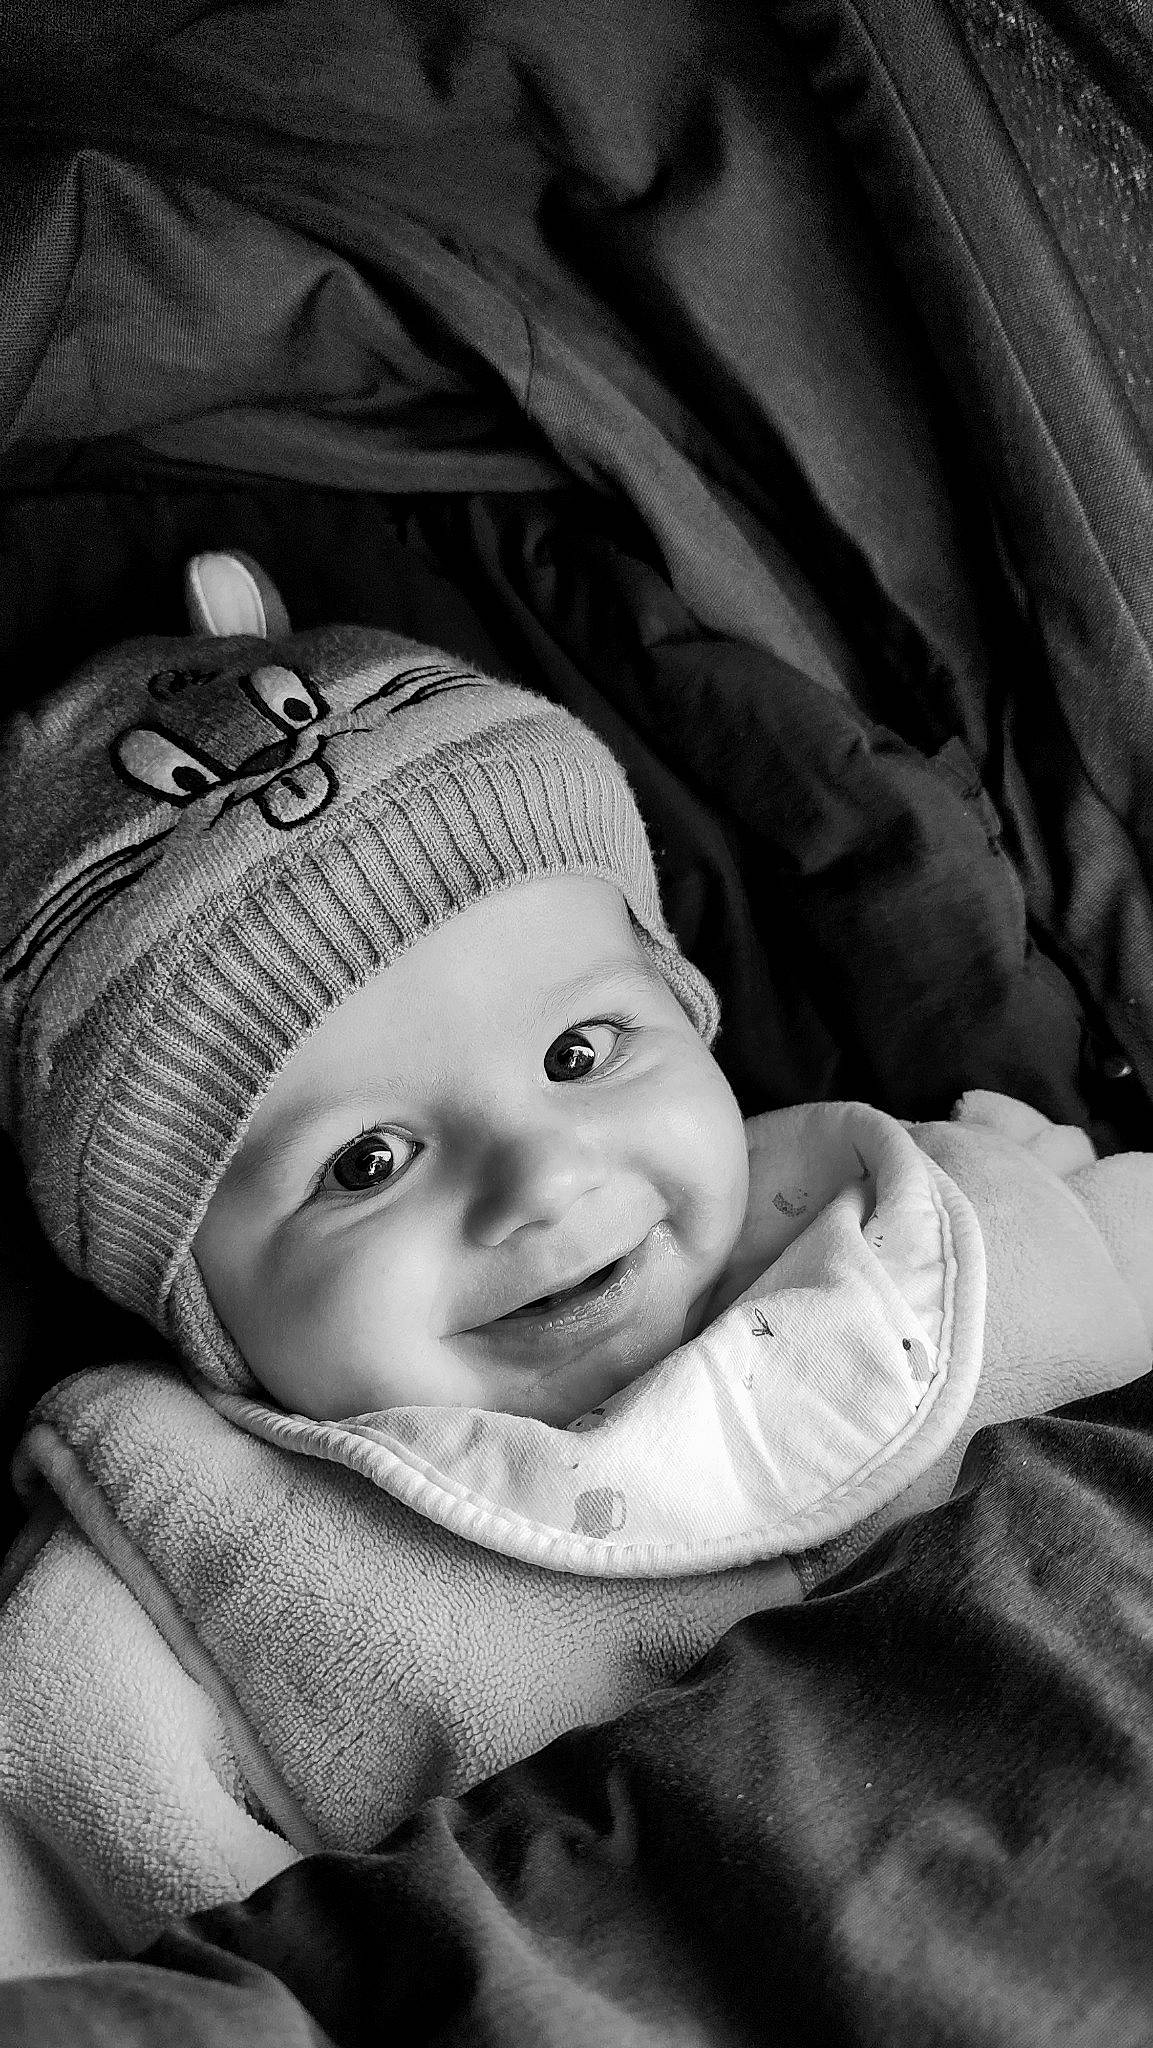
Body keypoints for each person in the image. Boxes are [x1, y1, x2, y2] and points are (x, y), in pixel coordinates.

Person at [0, 552, 1149, 1968]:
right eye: (365, 1163)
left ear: (690, 1011)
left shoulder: (964, 1216)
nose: (540, 1179)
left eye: (580, 1053)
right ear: (197, 1297)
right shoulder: (167, 1577)